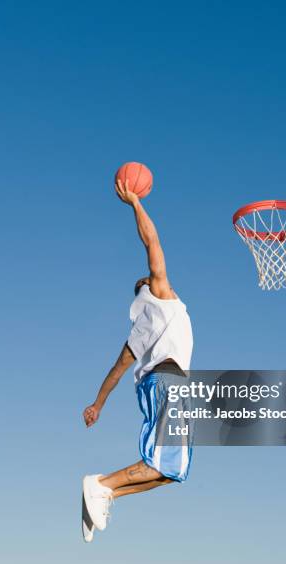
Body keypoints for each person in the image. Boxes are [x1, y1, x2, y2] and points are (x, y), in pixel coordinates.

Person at [81, 179, 193, 542]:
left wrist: (97, 405)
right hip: (169, 383)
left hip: (159, 385)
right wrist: (135, 203)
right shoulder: (160, 297)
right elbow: (152, 241)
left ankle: (106, 491)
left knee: (171, 472)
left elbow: (116, 372)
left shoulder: (139, 328)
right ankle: (100, 484)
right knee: (166, 464)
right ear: (148, 285)